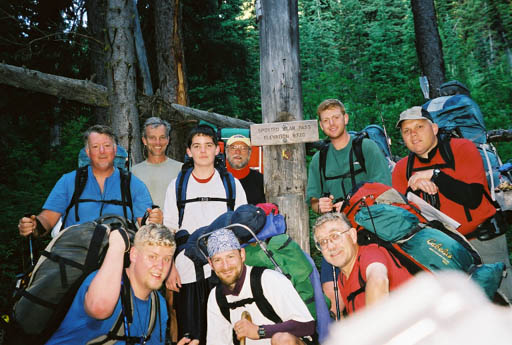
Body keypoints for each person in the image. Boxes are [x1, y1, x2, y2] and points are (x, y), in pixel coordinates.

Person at [392, 106, 512, 300]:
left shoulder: (461, 149)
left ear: (435, 128)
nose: (413, 134)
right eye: (407, 131)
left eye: (419, 127)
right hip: (443, 251)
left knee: (503, 299)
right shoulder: (402, 169)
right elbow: (403, 217)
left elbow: (472, 198)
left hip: (482, 240)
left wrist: (435, 175)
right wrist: (411, 190)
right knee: (463, 310)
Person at [306, 99, 392, 314]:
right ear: (321, 125)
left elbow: (385, 190)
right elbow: (313, 201)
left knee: (371, 287)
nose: (332, 123)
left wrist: (352, 202)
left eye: (336, 117)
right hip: (335, 235)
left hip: (370, 229)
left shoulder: (366, 148)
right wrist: (320, 205)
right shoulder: (319, 158)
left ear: (345, 118)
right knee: (333, 301)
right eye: (326, 120)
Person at [163, 124, 247, 344]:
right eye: (197, 146)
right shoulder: (177, 185)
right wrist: (169, 267)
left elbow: (242, 228)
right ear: (188, 151)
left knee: (227, 333)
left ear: (217, 149)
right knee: (191, 333)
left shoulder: (231, 184)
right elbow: (169, 230)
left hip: (225, 270)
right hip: (187, 270)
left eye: (208, 145)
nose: (203, 151)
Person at [46, 223, 196, 345]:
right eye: (152, 256)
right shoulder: (101, 281)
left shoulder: (158, 305)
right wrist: (117, 246)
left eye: (167, 259)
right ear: (134, 255)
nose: (160, 266)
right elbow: (100, 307)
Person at [18, 125, 162, 238]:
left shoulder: (133, 184)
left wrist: (153, 220)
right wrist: (34, 225)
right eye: (95, 147)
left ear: (115, 149)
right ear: (87, 152)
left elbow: (145, 225)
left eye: (106, 146)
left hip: (118, 252)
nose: (102, 151)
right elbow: (47, 219)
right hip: (73, 252)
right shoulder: (68, 181)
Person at [205, 228, 315, 345]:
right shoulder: (216, 297)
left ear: (242, 255)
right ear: (210, 263)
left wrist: (260, 331)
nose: (226, 266)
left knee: (282, 340)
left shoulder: (269, 279)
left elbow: (307, 326)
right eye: (218, 260)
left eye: (230, 257)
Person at [313, 212, 413, 316]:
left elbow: (377, 279)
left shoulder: (370, 254)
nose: (331, 246)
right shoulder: (342, 278)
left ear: (352, 235)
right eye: (323, 242)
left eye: (335, 236)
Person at [132, 117, 183, 208]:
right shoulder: (133, 172)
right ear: (144, 140)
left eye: (162, 137)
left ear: (168, 140)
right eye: (152, 138)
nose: (157, 143)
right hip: (143, 222)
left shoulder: (181, 170)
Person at [225, 134, 265, 205]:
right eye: (233, 147)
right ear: (226, 152)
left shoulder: (261, 180)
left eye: (243, 148)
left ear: (249, 153)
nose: (237, 152)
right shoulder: (218, 178)